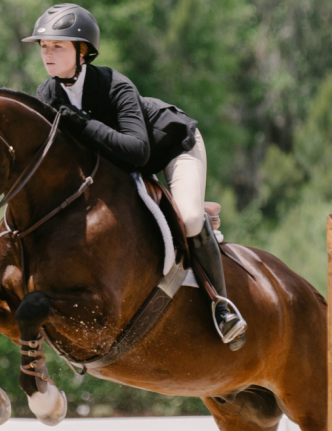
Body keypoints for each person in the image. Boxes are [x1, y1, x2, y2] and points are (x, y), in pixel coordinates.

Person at [22, 3, 247, 350]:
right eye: (43, 47)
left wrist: (82, 122)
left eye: (58, 46)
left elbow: (138, 152)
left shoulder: (115, 85)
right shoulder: (47, 94)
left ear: (83, 52)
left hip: (171, 147)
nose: (47, 54)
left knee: (187, 219)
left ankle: (221, 304)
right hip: (118, 168)